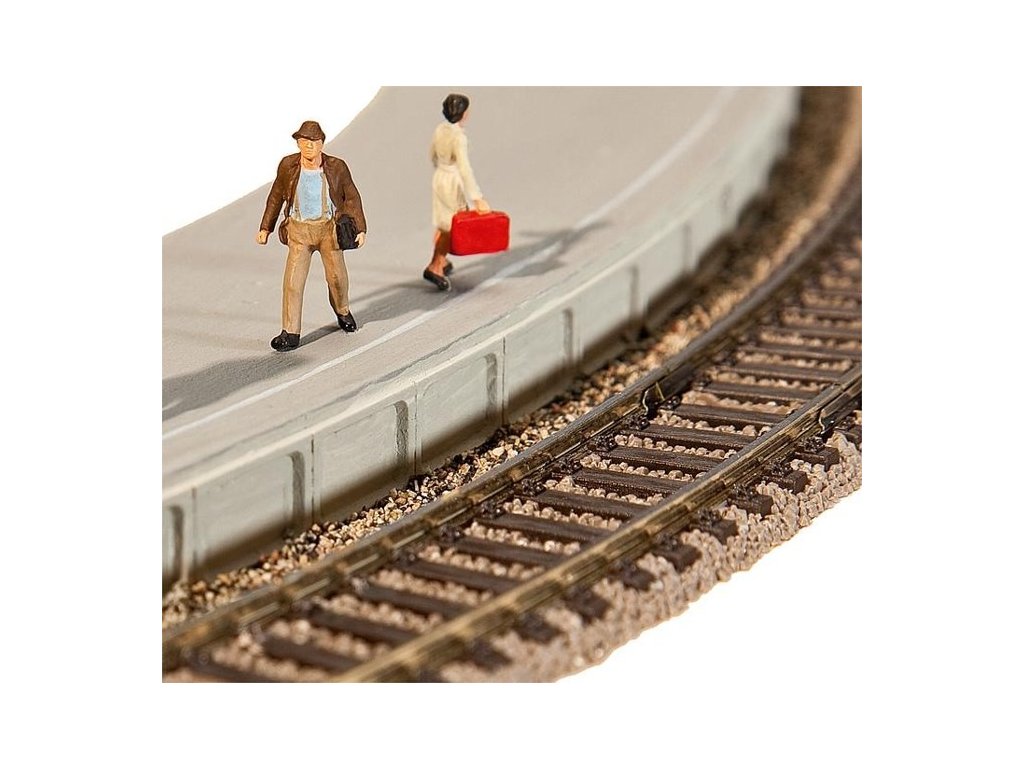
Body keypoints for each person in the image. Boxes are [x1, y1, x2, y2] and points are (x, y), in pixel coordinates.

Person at [256, 120, 367, 351]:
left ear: (322, 143)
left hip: (328, 229)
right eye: (304, 141)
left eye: (314, 141)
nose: (309, 146)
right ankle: (290, 332)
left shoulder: (337, 167)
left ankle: (342, 310)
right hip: (299, 231)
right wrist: (266, 227)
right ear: (298, 143)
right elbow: (276, 196)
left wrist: (360, 227)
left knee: (337, 279)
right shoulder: (288, 166)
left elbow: (351, 196)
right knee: (293, 282)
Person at [424, 93, 490, 291]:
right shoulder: (458, 137)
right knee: (450, 225)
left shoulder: (440, 129)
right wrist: (477, 197)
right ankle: (436, 265)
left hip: (440, 177)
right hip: (452, 181)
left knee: (443, 221)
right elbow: (464, 168)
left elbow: (432, 155)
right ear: (463, 113)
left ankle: (441, 260)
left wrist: (442, 169)